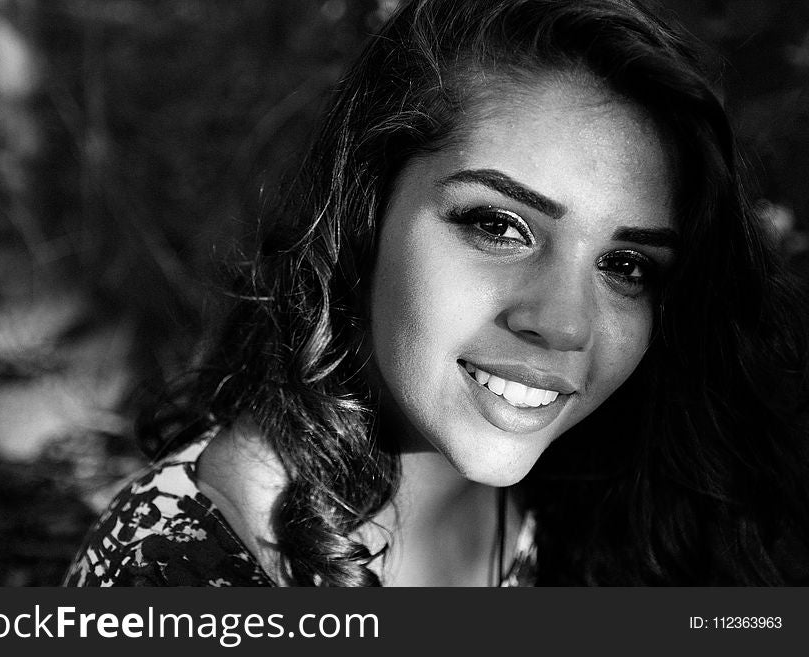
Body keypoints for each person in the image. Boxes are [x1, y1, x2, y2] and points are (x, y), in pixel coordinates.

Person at [65, 0, 809, 587]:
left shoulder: (609, 496)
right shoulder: (176, 572)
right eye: (498, 224)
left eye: (626, 265)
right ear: (368, 208)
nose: (564, 324)